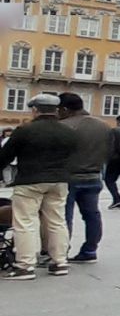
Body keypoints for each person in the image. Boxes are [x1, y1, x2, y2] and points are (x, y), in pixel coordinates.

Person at [0, 94, 75, 280]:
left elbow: (5, 156)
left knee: (25, 222)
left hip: (30, 181)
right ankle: (59, 262)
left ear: (35, 110)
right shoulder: (68, 131)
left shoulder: (25, 131)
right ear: (56, 110)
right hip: (59, 181)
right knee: (57, 221)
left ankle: (25, 266)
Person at [57, 92, 109, 265]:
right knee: (92, 215)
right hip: (94, 175)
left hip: (68, 176)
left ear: (64, 109)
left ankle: (61, 252)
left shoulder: (63, 126)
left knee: (64, 217)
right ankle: (90, 250)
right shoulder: (103, 125)